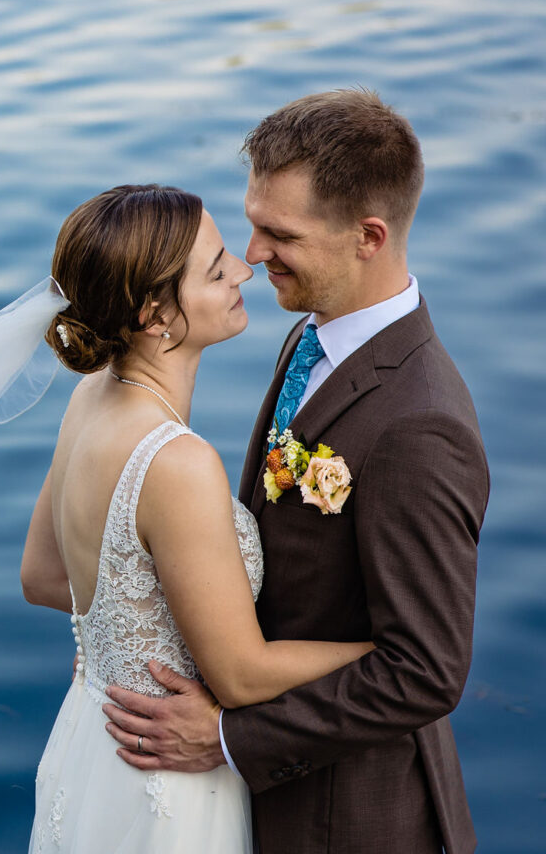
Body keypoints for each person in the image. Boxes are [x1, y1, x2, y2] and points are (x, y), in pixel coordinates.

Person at [100, 90, 489, 853]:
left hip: (347, 817)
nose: (250, 253)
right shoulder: (313, 334)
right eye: (252, 222)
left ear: (367, 237)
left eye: (279, 233)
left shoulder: (420, 427)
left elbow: (425, 673)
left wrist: (234, 737)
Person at [19, 183, 375, 853]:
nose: (244, 269)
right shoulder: (177, 462)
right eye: (217, 270)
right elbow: (240, 674)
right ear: (157, 312)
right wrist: (387, 652)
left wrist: (125, 648)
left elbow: (40, 577)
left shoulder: (91, 397)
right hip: (169, 777)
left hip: (94, 740)